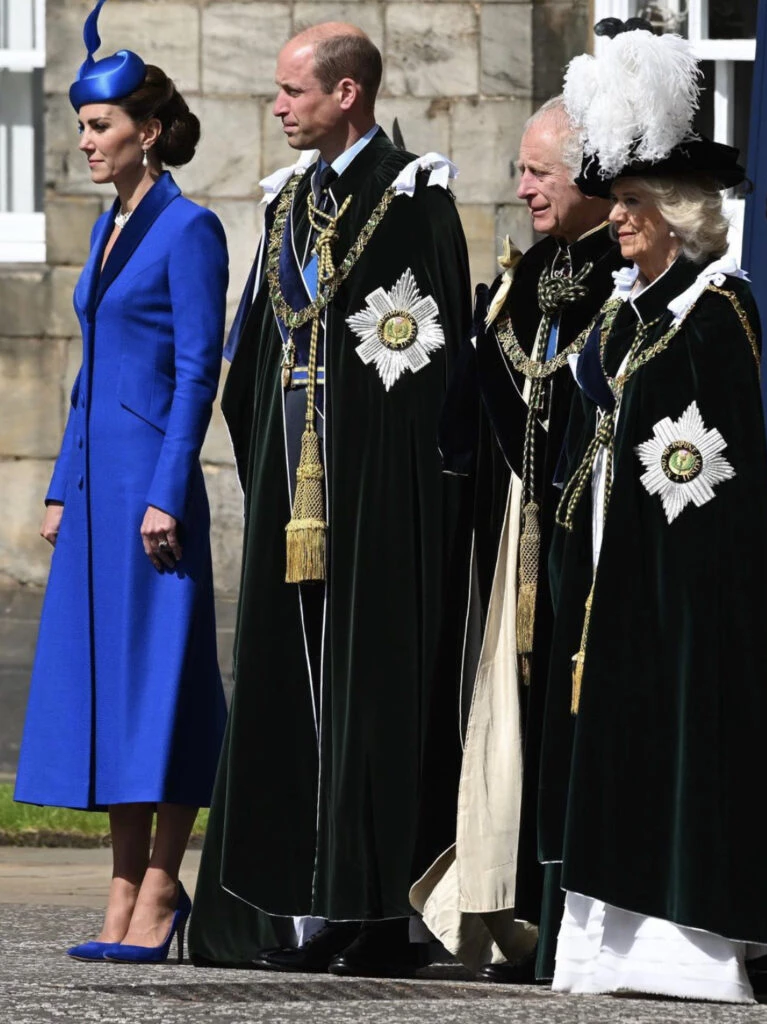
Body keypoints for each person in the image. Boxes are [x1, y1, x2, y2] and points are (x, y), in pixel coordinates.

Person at [188, 23, 471, 976]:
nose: (276, 106)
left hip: (374, 502)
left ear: (345, 94)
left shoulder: (412, 201)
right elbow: (255, 358)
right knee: (286, 691)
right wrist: (275, 467)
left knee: (370, 700)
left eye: (291, 91)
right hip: (291, 494)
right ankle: (290, 909)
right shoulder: (288, 202)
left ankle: (374, 912)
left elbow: (428, 373)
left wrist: (382, 487)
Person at [539, 21, 767, 1001]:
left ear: (678, 215)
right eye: (616, 204)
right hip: (612, 565)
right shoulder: (620, 313)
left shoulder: (717, 309)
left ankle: (688, 948)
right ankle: (601, 947)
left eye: (633, 204)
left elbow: (709, 461)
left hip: (680, 579)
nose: (616, 219)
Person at [14, 0, 228, 964]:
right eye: (82, 126)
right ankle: (121, 887)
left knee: (159, 685)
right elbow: (89, 370)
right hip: (98, 495)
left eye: (99, 125)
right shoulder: (110, 226)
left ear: (147, 129)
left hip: (151, 492)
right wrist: (63, 485)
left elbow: (197, 371)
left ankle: (162, 886)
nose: (86, 142)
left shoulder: (190, 229)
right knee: (107, 686)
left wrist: (165, 490)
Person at [410, 97, 622, 984]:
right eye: (521, 171)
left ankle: (569, 912)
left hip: (589, 537)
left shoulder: (623, 271)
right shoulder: (532, 269)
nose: (524, 187)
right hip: (516, 538)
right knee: (510, 720)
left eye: (540, 172)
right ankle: (513, 912)